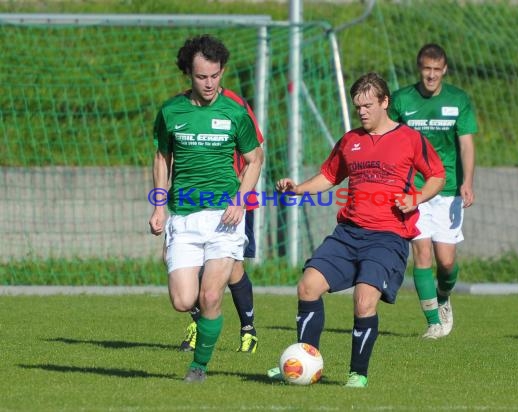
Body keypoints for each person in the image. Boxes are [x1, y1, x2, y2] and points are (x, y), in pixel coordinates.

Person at [268, 73, 445, 387]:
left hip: (387, 237)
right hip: (348, 233)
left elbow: (437, 176)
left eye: (367, 105)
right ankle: (304, 359)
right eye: (357, 107)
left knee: (364, 301)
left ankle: (357, 373)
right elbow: (328, 176)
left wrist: (415, 197)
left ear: (384, 102)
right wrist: (297, 189)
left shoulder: (409, 138)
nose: (362, 112)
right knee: (308, 286)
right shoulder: (350, 141)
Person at [149, 34, 263, 383]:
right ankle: (206, 326)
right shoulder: (171, 112)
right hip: (183, 217)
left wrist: (240, 199)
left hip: (224, 219)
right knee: (184, 300)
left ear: (222, 71)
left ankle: (199, 367)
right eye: (202, 77)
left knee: (211, 293)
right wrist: (158, 205)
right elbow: (160, 157)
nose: (210, 83)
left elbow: (255, 157)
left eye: (215, 75)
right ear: (189, 74)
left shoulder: (234, 111)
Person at [388, 43, 477, 339]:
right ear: (419, 68)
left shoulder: (458, 100)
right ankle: (433, 323)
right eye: (426, 68)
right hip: (415, 190)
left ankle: (443, 297)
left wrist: (468, 182)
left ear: (445, 70)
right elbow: (389, 140)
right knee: (422, 253)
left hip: (449, 188)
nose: (431, 75)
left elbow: (466, 144)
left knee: (447, 262)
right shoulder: (401, 100)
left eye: (437, 70)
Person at [178, 87, 264, 355]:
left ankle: (248, 330)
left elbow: (255, 150)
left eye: (212, 74)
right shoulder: (180, 105)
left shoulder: (234, 104)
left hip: (230, 199)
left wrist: (239, 193)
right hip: (190, 201)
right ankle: (199, 322)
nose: (206, 81)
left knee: (233, 268)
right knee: (184, 264)